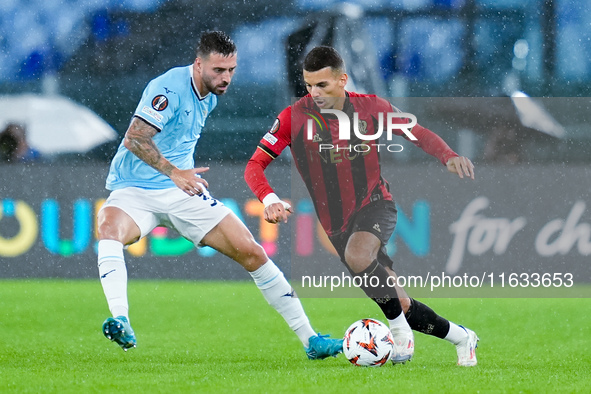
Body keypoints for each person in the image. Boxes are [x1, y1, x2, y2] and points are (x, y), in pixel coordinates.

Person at [96, 32, 342, 359]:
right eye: (218, 70)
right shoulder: (167, 90)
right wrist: (175, 172)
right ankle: (120, 319)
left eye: (231, 70)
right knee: (109, 230)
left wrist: (179, 176)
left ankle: (311, 341)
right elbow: (134, 139)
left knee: (252, 253)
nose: (226, 78)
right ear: (198, 65)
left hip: (183, 190)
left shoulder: (210, 93)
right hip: (137, 188)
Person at [244, 46, 479, 366]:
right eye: (308, 85)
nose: (314, 93)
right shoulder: (293, 117)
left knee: (359, 257)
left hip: (375, 204)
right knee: (402, 304)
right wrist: (269, 198)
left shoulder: (371, 108)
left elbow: (416, 132)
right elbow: (254, 166)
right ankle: (462, 337)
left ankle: (399, 335)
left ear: (342, 80)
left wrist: (448, 156)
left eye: (322, 85)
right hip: (336, 225)